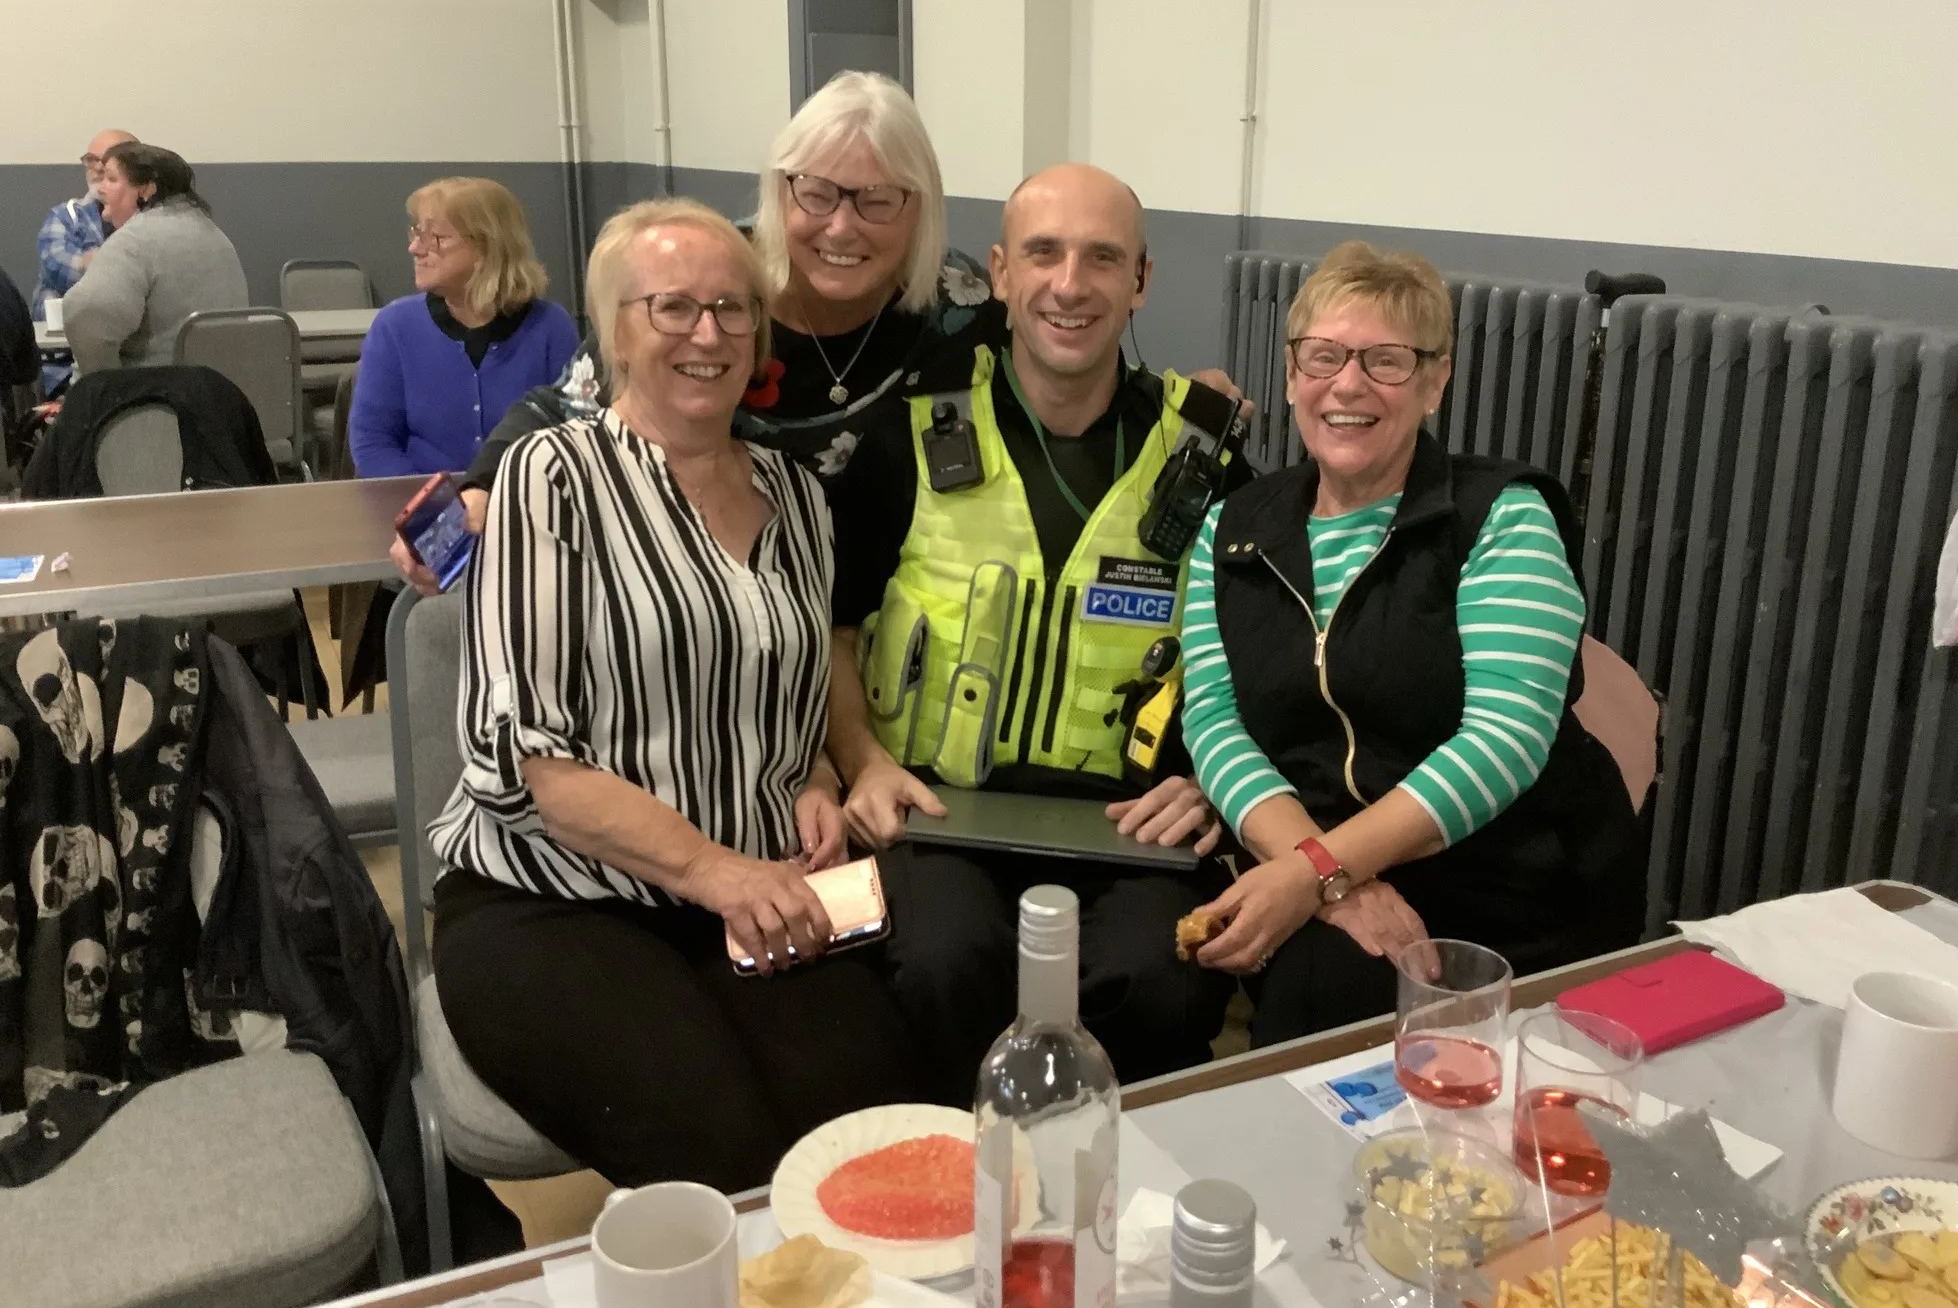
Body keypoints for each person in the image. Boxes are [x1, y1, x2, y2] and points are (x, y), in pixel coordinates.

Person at [427, 198, 929, 1192]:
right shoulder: (548, 478)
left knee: (875, 1132)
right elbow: (528, 763)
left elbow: (783, 710)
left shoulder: (797, 499)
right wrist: (713, 870)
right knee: (723, 1154)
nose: (708, 334)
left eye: (733, 309)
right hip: (552, 897)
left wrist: (818, 780)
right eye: (672, 308)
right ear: (614, 329)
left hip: (750, 889)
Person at [824, 163, 1251, 1101]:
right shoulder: (906, 437)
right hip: (935, 811)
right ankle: (954, 1197)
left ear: (1140, 283)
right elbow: (834, 631)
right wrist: (861, 761)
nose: (1070, 284)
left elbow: (1254, 661)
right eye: (1044, 254)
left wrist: (1215, 788)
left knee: (1164, 978)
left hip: (1133, 826)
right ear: (1002, 273)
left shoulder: (1206, 461)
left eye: (1103, 258)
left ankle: (1113, 1208)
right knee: (942, 964)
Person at [1177, 242, 1647, 1047]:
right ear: (1292, 375)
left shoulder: (1501, 517)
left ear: (1435, 382)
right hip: (1322, 856)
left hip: (1507, 879)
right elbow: (1215, 722)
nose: (1348, 384)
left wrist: (1312, 873)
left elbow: (1503, 742)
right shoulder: (1233, 527)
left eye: (1386, 361)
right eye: (1323, 356)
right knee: (1302, 1016)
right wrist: (1324, 879)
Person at [388, 71, 1005, 593]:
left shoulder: (958, 304)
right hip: (706, 596)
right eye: (815, 194)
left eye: (875, 199)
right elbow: (567, 400)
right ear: (781, 192)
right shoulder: (715, 276)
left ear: (919, 206)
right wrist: (480, 490)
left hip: (892, 606)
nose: (841, 228)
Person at [347, 178, 579, 478]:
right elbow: (372, 444)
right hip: (423, 509)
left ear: (486, 246)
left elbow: (573, 437)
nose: (415, 248)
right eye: (417, 232)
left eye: (436, 237)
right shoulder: (395, 326)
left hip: (525, 506)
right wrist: (442, 510)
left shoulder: (551, 327)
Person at [63, 144, 248, 373]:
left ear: (146, 190)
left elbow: (86, 315)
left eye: (111, 179)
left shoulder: (134, 241)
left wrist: (104, 383)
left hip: (155, 397)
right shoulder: (217, 237)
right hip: (224, 396)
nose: (101, 189)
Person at [31, 128, 135, 321]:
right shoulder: (66, 216)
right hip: (64, 343)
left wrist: (94, 263)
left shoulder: (151, 219)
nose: (97, 168)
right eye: (90, 159)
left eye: (107, 160)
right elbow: (56, 268)